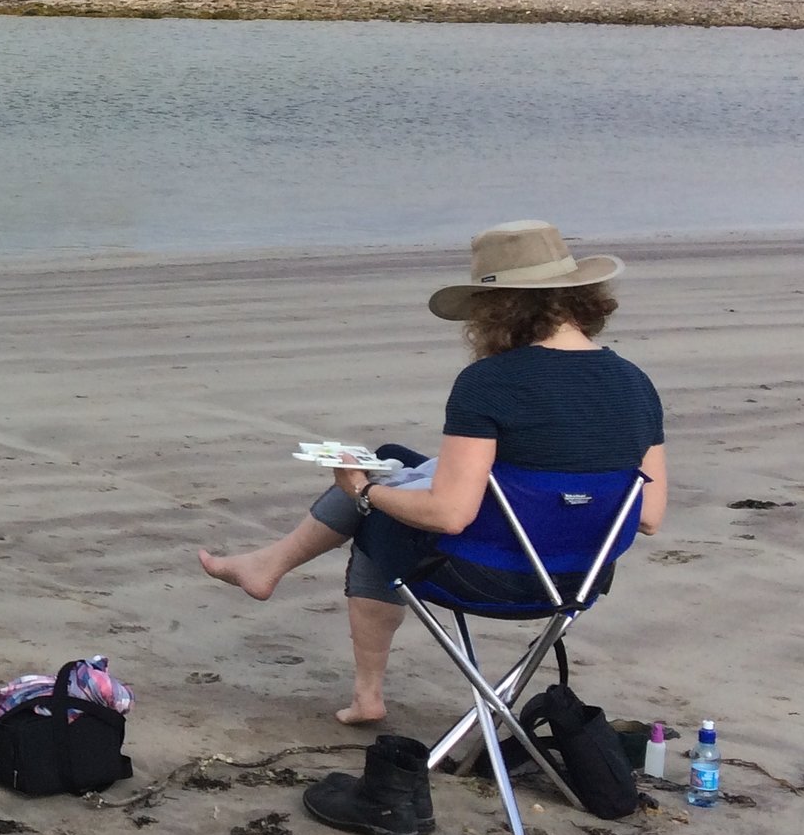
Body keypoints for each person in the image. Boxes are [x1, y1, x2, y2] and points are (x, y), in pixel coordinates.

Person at [198, 222, 667, 726]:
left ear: (498, 308)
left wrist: (366, 492)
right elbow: (650, 515)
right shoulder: (635, 384)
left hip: (489, 576)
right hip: (579, 579)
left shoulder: (488, 384)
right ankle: (270, 565)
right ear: (580, 298)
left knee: (374, 517)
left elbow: (450, 514)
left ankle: (366, 693)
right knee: (392, 456)